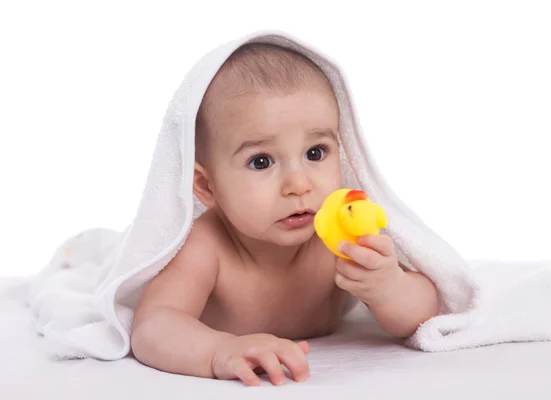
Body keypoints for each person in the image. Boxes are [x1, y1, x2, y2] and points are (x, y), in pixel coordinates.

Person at [130, 42, 439, 387]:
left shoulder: (340, 234)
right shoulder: (206, 247)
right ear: (207, 186)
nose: (298, 184)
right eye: (261, 161)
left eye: (315, 152)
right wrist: (219, 351)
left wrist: (389, 288)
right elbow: (153, 326)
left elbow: (428, 311)